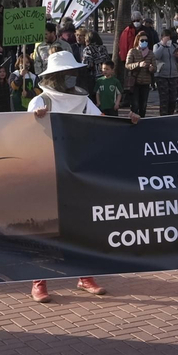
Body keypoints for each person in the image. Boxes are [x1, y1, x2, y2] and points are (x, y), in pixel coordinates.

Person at [28, 49, 127, 301]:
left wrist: (131, 123)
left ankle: (85, 277)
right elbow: (22, 136)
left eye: (72, 72)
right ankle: (38, 283)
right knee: (47, 228)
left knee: (82, 226)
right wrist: (34, 121)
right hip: (47, 173)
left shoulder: (83, 101)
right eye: (66, 73)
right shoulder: (40, 102)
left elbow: (103, 124)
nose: (70, 77)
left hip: (77, 172)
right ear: (55, 76)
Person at [124, 32, 155, 117]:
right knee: (135, 104)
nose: (144, 42)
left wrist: (152, 68)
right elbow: (127, 65)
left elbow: (155, 67)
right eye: (142, 40)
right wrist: (138, 64)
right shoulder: (133, 51)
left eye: (146, 40)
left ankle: (142, 121)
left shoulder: (150, 53)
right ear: (138, 40)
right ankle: (133, 121)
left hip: (145, 82)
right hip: (135, 82)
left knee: (143, 105)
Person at [152, 29, 178, 116]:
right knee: (164, 98)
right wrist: (163, 45)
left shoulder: (174, 46)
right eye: (166, 38)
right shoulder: (157, 46)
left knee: (173, 98)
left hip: (173, 75)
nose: (168, 41)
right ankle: (163, 115)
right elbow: (156, 56)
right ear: (162, 38)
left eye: (169, 39)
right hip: (162, 76)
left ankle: (170, 114)